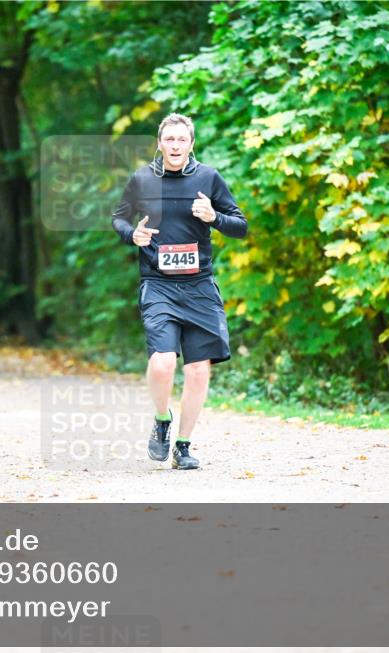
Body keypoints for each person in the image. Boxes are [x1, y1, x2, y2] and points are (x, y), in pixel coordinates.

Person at [111, 113, 248, 470]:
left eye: (181, 140)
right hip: (158, 284)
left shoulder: (208, 178)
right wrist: (132, 235)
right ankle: (161, 421)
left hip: (199, 284)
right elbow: (119, 218)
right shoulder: (143, 178)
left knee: (199, 369)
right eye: (168, 139)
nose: (175, 146)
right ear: (160, 142)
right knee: (162, 363)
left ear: (191, 144)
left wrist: (213, 217)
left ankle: (183, 446)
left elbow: (240, 226)